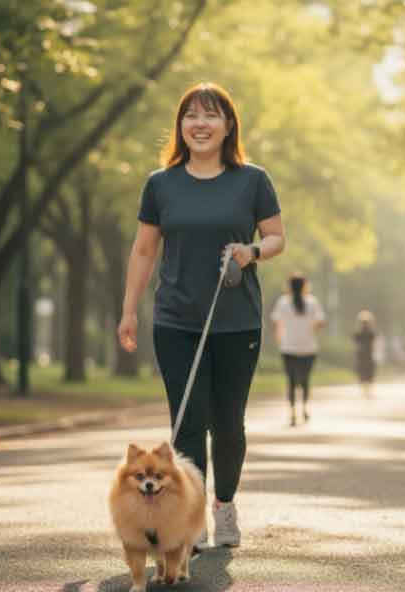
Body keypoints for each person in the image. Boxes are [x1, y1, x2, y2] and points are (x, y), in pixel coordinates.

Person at [116, 81, 285, 550]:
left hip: (237, 321)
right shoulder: (161, 184)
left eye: (211, 115)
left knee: (229, 423)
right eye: (191, 115)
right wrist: (129, 309)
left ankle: (224, 505)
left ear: (228, 125)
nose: (201, 124)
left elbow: (276, 237)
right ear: (180, 126)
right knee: (188, 421)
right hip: (175, 320)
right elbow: (145, 249)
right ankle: (190, 520)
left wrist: (251, 251)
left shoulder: (252, 180)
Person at [271, 273, 326, 426]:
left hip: (288, 347)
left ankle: (293, 412)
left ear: (289, 286)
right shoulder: (312, 302)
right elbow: (320, 322)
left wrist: (279, 338)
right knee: (305, 380)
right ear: (305, 286)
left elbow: (276, 323)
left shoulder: (282, 302)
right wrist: (310, 329)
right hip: (308, 348)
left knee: (291, 381)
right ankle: (305, 408)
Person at [353, 310, 377, 398]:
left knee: (366, 373)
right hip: (364, 355)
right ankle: (366, 390)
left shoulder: (369, 333)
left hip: (366, 355)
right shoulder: (360, 333)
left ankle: (367, 390)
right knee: (365, 373)